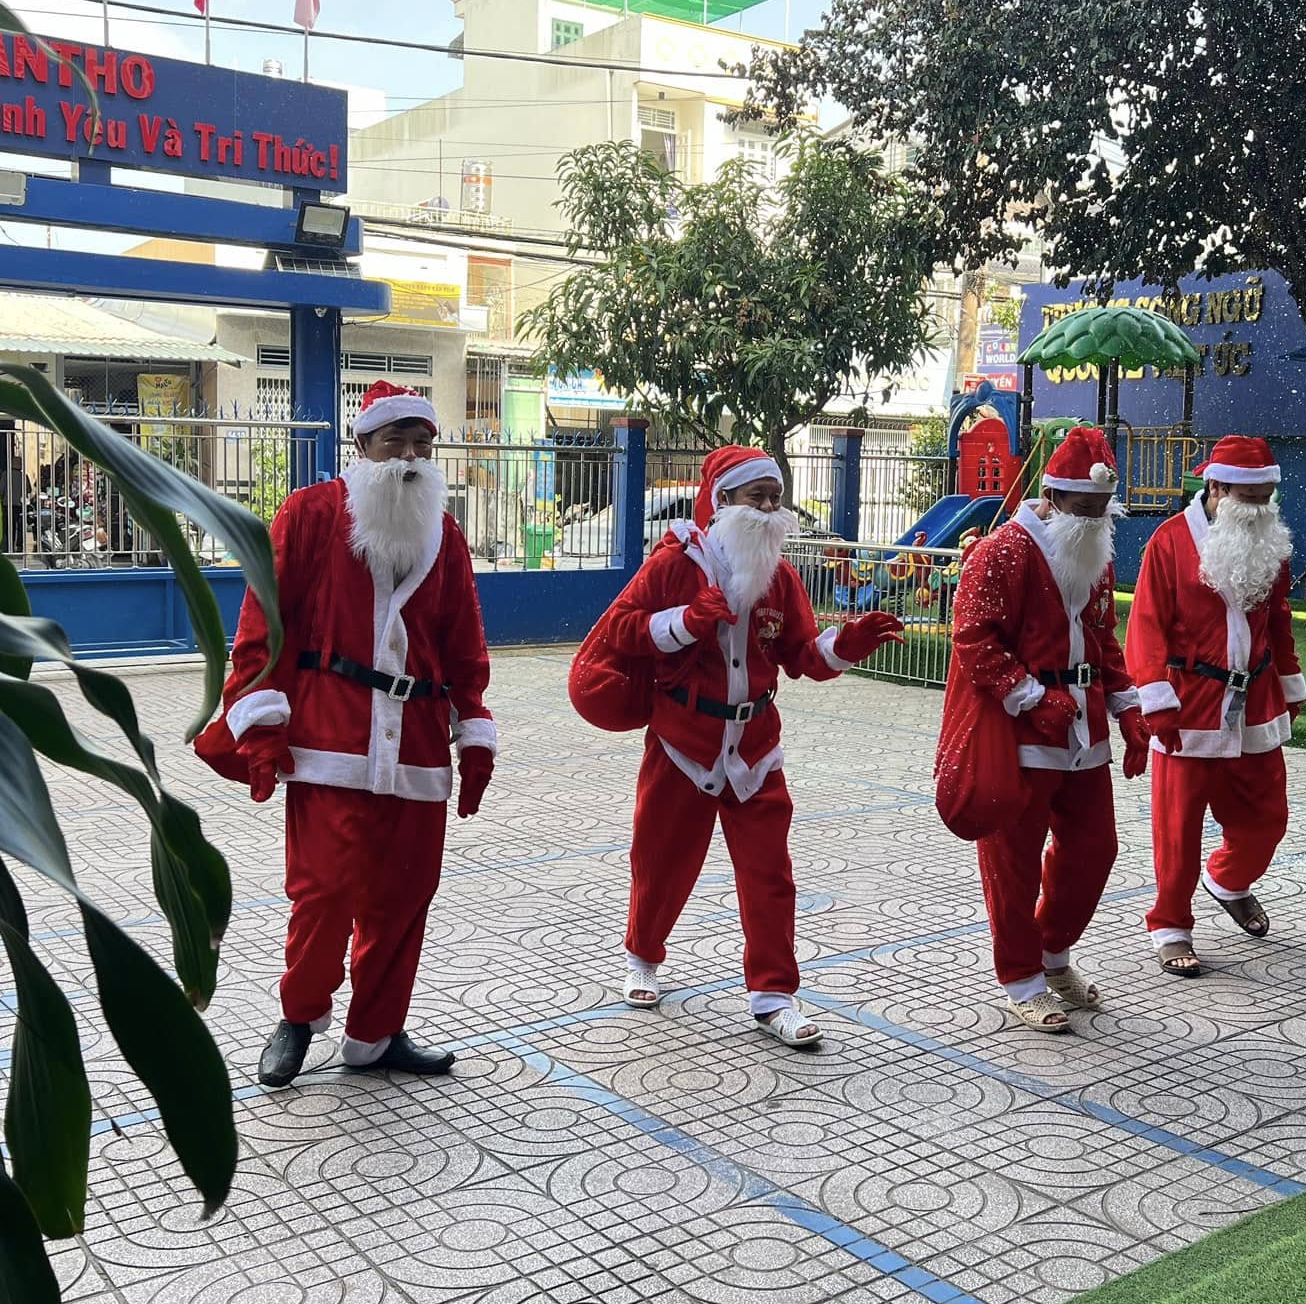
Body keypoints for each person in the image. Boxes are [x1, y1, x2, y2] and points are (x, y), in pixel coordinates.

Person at [193, 382, 496, 1086]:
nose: (411, 457)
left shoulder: (444, 533)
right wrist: (261, 720)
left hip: (417, 744)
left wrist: (474, 725)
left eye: (423, 444)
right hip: (330, 738)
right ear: (362, 446)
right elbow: (263, 624)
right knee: (323, 891)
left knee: (406, 896)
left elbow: (463, 638)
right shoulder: (309, 514)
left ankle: (376, 1034)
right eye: (396, 441)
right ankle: (299, 1017)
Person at [575, 445, 904, 1048]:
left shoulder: (780, 576)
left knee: (770, 873)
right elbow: (622, 627)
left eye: (776, 498)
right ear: (723, 500)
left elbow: (802, 655)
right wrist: (687, 620)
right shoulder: (673, 563)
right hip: (682, 741)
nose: (770, 510)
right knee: (661, 861)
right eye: (758, 497)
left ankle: (774, 995)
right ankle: (642, 956)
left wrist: (848, 644)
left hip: (755, 748)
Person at [940, 427, 1149, 1032]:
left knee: (1095, 850)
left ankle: (1053, 953)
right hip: (1021, 734)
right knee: (1013, 862)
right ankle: (1022, 977)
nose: (1095, 518)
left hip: (1084, 729)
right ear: (1053, 498)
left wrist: (1128, 708)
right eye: (1084, 507)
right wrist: (1030, 697)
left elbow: (1103, 636)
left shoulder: (1092, 549)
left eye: (1103, 508)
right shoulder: (1002, 552)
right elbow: (973, 640)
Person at [1125, 435, 1306, 976]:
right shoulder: (1169, 541)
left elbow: (1277, 619)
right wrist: (1154, 700)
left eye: (1267, 496)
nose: (1262, 508)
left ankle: (1228, 880)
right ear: (1218, 488)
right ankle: (1170, 926)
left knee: (1267, 819)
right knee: (1178, 828)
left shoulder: (1270, 541)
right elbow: (1146, 624)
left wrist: (1290, 683)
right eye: (1251, 497)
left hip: (1256, 700)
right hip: (1188, 703)